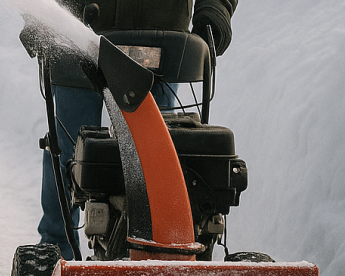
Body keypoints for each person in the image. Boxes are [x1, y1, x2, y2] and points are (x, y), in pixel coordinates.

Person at [25, 0, 237, 258]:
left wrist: (215, 11)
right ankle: (56, 249)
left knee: (159, 156)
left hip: (159, 44)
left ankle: (158, 247)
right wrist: (39, 14)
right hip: (77, 29)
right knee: (68, 147)